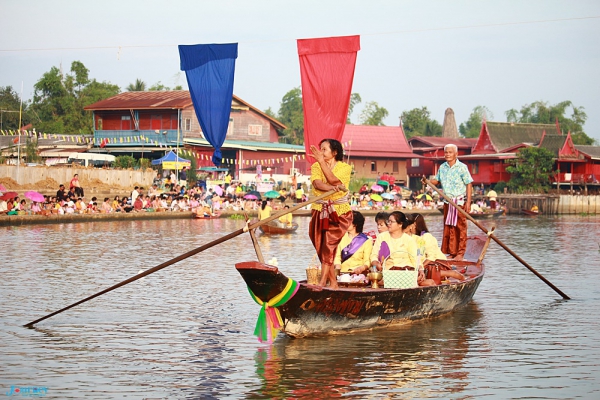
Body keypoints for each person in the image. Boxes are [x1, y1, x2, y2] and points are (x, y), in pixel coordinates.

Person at [309, 138, 353, 289]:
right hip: (319, 210)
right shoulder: (315, 166)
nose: (320, 153)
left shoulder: (345, 168)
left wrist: (322, 163)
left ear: (334, 153)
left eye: (324, 150)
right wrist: (329, 187)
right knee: (320, 246)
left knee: (328, 245)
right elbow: (317, 183)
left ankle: (322, 282)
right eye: (320, 149)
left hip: (339, 213)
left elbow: (336, 181)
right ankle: (333, 282)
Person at [428, 144, 473, 261]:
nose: (447, 154)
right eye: (446, 152)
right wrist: (428, 181)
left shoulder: (462, 167)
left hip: (459, 202)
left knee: (460, 227)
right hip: (447, 201)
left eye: (450, 152)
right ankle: (451, 252)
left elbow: (469, 184)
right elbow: (437, 180)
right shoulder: (442, 167)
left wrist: (468, 202)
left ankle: (460, 253)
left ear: (456, 154)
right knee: (448, 227)